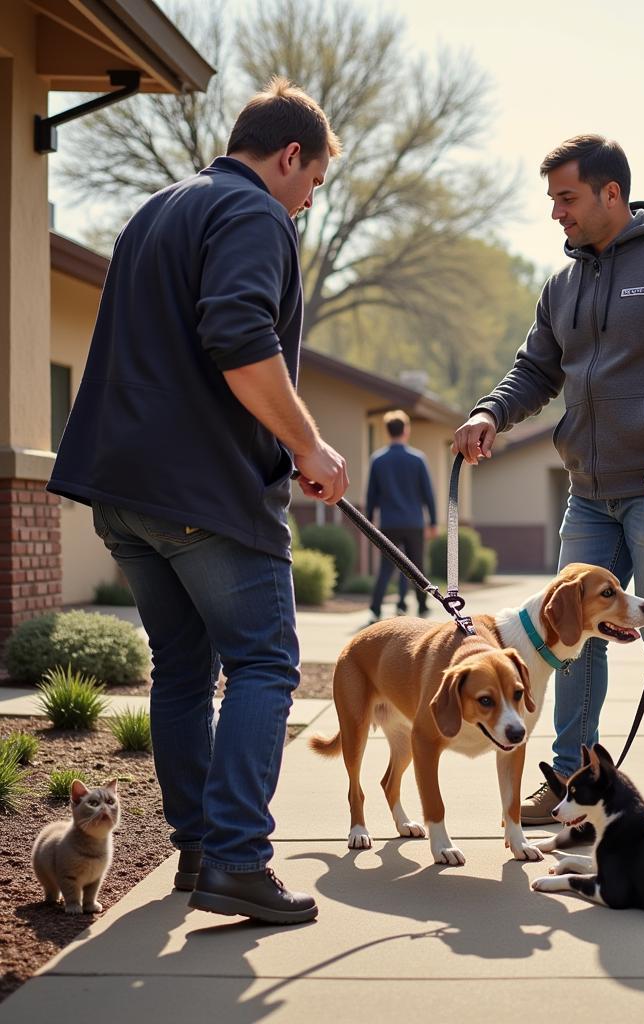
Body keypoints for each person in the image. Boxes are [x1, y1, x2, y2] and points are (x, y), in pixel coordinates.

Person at [48, 78, 348, 924]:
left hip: (122, 490)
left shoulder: (157, 209)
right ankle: (239, 861)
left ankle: (197, 853)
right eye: (313, 183)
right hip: (203, 494)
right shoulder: (256, 216)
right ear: (289, 156)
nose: (307, 202)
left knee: (183, 670)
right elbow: (239, 338)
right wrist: (308, 446)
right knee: (264, 663)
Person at [453, 134, 644, 827]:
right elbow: (536, 369)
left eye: (567, 197)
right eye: (553, 198)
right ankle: (570, 780)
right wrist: (491, 409)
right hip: (588, 491)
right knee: (566, 633)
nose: (557, 212)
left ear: (610, 193)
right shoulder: (563, 283)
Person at [365, 409, 438, 623]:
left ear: (388, 431)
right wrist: (432, 521)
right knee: (416, 567)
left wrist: (368, 523)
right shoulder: (417, 459)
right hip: (414, 522)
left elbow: (371, 495)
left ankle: (376, 609)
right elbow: (428, 494)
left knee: (387, 567)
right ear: (406, 430)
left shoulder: (378, 460)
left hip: (389, 522)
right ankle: (422, 606)